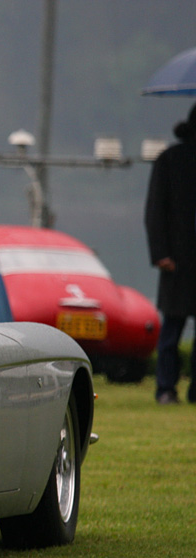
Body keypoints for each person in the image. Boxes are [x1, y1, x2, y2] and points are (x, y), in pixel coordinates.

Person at [144, 102, 196, 404]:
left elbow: (153, 211)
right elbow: (156, 212)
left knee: (171, 329)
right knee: (172, 330)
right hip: (176, 260)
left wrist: (162, 253)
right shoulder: (170, 160)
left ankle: (168, 388)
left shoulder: (168, 158)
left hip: (174, 258)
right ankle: (166, 387)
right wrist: (161, 253)